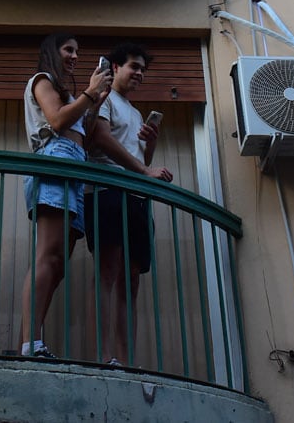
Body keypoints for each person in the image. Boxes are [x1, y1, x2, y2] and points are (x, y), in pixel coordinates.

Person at [18, 33, 113, 358]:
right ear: (52, 52)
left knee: (58, 263)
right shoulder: (42, 80)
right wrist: (89, 93)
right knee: (48, 255)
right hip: (56, 159)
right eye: (68, 49)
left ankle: (34, 341)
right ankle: (30, 342)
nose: (74, 56)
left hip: (74, 163)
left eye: (77, 51)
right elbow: (57, 121)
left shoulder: (69, 94)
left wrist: (95, 102)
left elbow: (79, 137)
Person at [84, 42, 173, 367]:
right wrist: (145, 170)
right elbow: (100, 139)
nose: (139, 73)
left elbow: (136, 156)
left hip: (135, 197)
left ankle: (126, 358)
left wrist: (149, 146)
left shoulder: (135, 113)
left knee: (131, 278)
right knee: (107, 272)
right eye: (133, 66)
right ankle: (102, 356)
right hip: (107, 191)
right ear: (115, 68)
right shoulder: (105, 98)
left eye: (142, 69)